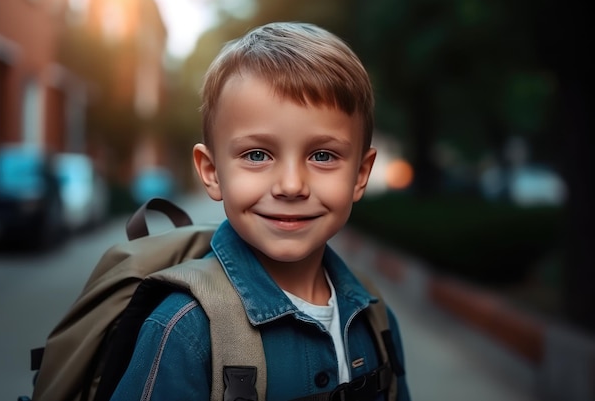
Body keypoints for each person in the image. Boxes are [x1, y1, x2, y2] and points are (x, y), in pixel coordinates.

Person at [110, 22, 411, 401]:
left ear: (360, 175)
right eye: (257, 155)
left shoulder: (374, 314)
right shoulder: (184, 332)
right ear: (212, 171)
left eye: (322, 156)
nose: (290, 185)